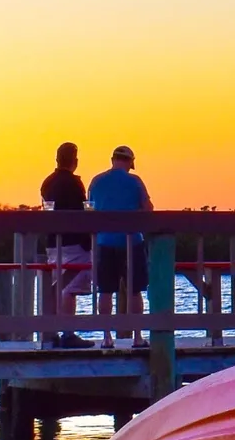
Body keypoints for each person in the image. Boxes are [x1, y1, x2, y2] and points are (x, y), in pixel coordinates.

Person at [88, 145, 154, 346]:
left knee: (105, 290)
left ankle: (107, 337)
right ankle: (137, 336)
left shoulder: (96, 181)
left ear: (112, 159)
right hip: (131, 241)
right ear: (129, 162)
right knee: (135, 290)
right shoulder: (135, 181)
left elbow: (89, 208)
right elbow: (148, 209)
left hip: (104, 242)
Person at [40, 142, 90, 346]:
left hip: (53, 241)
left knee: (57, 285)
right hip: (73, 241)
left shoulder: (47, 182)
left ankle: (51, 333)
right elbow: (81, 211)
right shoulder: (73, 183)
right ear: (75, 161)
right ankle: (68, 334)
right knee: (69, 287)